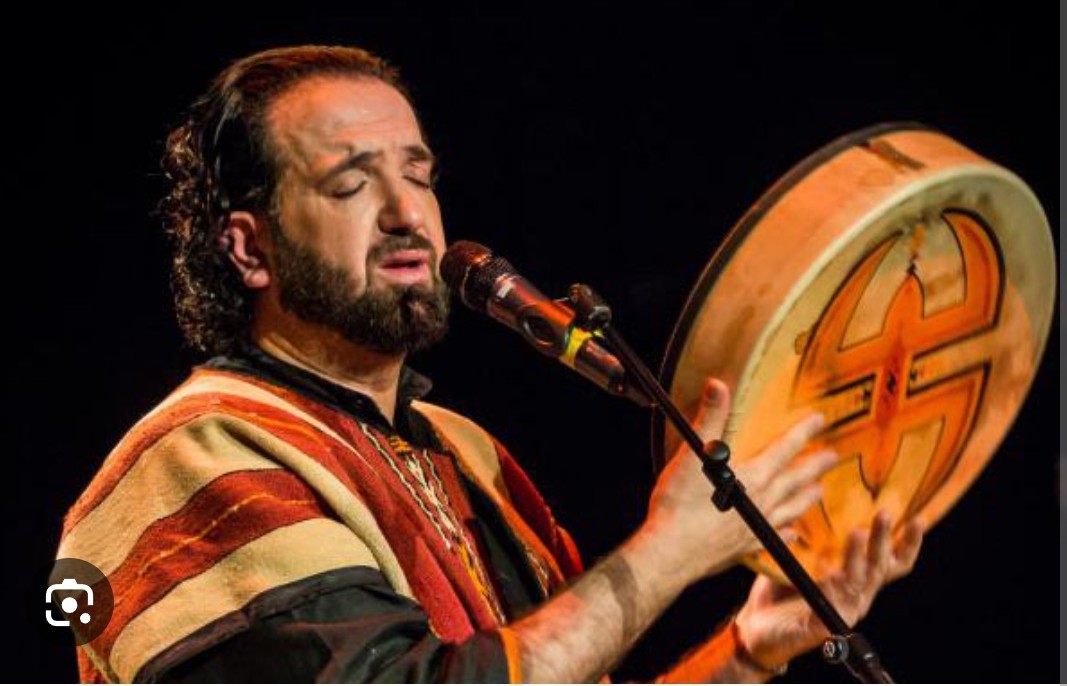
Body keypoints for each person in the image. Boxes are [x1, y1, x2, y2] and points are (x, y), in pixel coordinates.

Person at [57, 45, 923, 683]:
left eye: (418, 174)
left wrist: (746, 650)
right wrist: (670, 551)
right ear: (249, 248)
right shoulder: (190, 460)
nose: (406, 213)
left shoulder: (466, 455)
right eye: (351, 183)